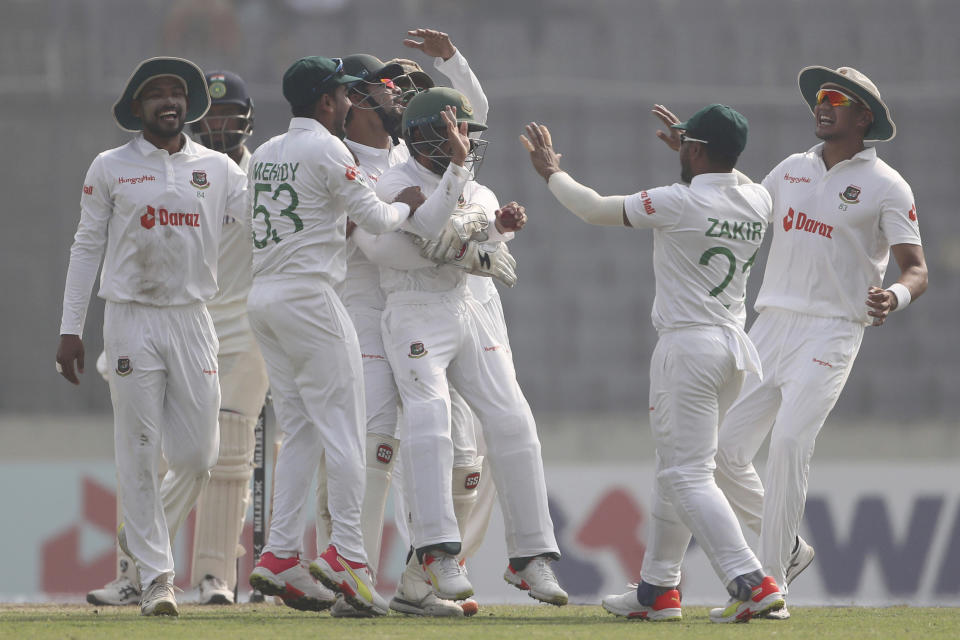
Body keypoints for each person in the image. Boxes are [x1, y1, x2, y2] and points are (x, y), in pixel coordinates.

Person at [522, 104, 787, 623]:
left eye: (688, 143)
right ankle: (657, 590)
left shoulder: (677, 201)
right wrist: (698, 148)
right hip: (733, 350)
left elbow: (595, 208)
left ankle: (751, 582)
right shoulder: (758, 200)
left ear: (697, 151)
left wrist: (552, 172)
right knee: (676, 474)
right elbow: (731, 175)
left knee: (687, 475)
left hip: (687, 350)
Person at [707, 66, 927, 619]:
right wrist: (696, 168)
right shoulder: (789, 170)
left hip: (832, 329)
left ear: (864, 117)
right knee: (721, 453)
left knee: (787, 446)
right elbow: (742, 214)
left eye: (835, 99)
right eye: (820, 98)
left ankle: (771, 589)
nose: (822, 105)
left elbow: (916, 269)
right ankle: (790, 550)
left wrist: (894, 298)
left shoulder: (888, 186)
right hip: (771, 325)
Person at [56, 56, 248, 617]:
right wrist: (71, 329)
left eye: (177, 93)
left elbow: (265, 225)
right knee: (139, 452)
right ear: (136, 107)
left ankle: (139, 550)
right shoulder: (110, 166)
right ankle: (159, 579)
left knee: (197, 455)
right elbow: (86, 247)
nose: (170, 101)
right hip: (131, 318)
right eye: (156, 94)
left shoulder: (216, 168)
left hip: (193, 318)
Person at [361, 87, 567, 607]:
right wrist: (468, 239)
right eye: (454, 134)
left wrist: (484, 232)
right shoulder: (394, 182)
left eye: (469, 134)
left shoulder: (481, 190)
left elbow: (462, 244)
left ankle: (531, 557)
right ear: (423, 138)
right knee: (428, 419)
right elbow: (427, 232)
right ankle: (435, 551)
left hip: (464, 309)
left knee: (513, 418)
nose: (465, 144)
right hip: (413, 310)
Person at [319, 29, 497, 618]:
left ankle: (422, 580)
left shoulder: (406, 155)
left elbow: (474, 117)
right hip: (364, 310)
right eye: (389, 91)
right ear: (358, 100)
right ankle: (354, 578)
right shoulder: (336, 158)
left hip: (429, 310)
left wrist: (449, 59)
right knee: (375, 446)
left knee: (462, 458)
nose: (402, 101)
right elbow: (347, 235)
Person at [244, 55, 425, 617]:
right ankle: (348, 554)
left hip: (264, 297)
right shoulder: (328, 148)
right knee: (344, 429)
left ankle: (277, 555)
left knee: (299, 429)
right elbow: (374, 219)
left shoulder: (268, 151)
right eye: (343, 95)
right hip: (310, 298)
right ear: (326, 102)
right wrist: (406, 204)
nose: (349, 103)